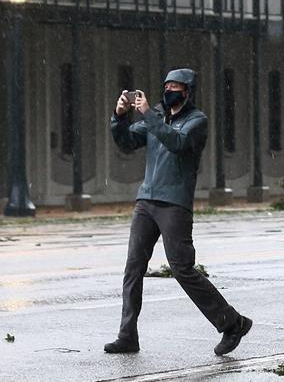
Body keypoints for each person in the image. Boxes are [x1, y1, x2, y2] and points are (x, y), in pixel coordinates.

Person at [105, 68, 252, 355]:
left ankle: (232, 322)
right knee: (133, 267)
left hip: (175, 203)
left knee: (182, 269)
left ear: (187, 91)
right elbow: (127, 141)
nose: (169, 90)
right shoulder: (157, 115)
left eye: (176, 86)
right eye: (167, 85)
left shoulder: (196, 121)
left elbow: (176, 143)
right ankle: (127, 336)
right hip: (146, 200)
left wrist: (148, 114)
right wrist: (119, 115)